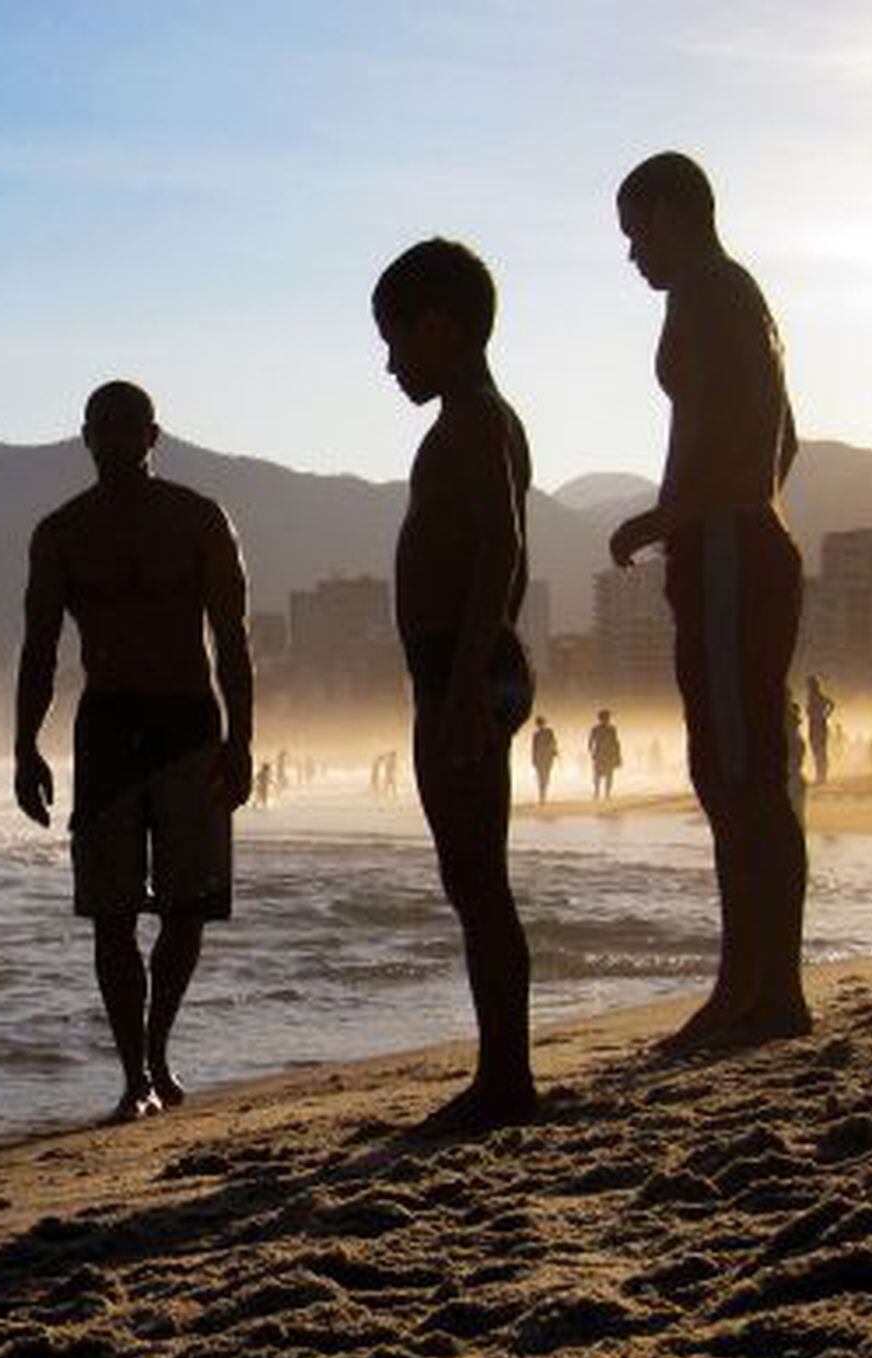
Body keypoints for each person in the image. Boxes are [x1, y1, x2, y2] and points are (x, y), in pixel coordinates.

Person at [608, 151, 809, 1049]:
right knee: (746, 770)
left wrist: (664, 519)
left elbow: (725, 439)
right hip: (744, 540)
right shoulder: (746, 299)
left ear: (671, 214)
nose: (632, 257)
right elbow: (785, 442)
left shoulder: (704, 295)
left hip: (728, 546)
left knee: (739, 778)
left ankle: (755, 991)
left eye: (635, 233)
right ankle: (762, 985)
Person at [15, 380, 253, 1122]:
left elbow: (233, 639)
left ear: (154, 436)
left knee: (188, 906)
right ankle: (133, 1077)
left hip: (189, 722)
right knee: (111, 912)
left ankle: (156, 1050)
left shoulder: (200, 519)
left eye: (130, 427)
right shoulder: (61, 532)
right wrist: (24, 746)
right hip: (108, 728)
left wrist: (243, 740)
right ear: (84, 436)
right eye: (103, 427)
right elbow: (40, 649)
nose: (116, 439)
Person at [373, 237, 537, 1133]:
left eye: (395, 341)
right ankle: (502, 1073)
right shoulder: (473, 416)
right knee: (471, 876)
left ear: (438, 326)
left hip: (466, 669)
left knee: (477, 878)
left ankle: (506, 1080)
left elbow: (502, 545)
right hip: (459, 666)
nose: (389, 362)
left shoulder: (473, 416)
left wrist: (470, 676)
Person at [804, 675, 835, 784]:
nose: (808, 687)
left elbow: (831, 703)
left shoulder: (817, 697)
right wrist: (826, 715)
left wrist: (825, 715)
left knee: (819, 752)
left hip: (818, 726)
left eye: (809, 685)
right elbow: (831, 704)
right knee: (817, 751)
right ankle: (820, 775)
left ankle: (821, 776)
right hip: (816, 726)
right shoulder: (813, 697)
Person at [588, 710, 622, 800]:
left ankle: (606, 793)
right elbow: (590, 742)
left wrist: (618, 754)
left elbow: (615, 742)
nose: (606, 719)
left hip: (608, 755)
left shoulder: (611, 729)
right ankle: (597, 792)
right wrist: (592, 752)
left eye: (607, 718)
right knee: (597, 775)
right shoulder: (596, 729)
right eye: (604, 718)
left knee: (608, 775)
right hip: (600, 755)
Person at [530, 715, 559, 804]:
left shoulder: (549, 732)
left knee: (546, 776)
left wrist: (554, 751)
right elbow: (534, 747)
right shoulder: (536, 735)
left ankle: (543, 793)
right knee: (540, 776)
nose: (540, 725)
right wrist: (533, 759)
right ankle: (542, 795)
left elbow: (554, 741)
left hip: (548, 758)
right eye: (539, 723)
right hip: (540, 758)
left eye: (541, 723)